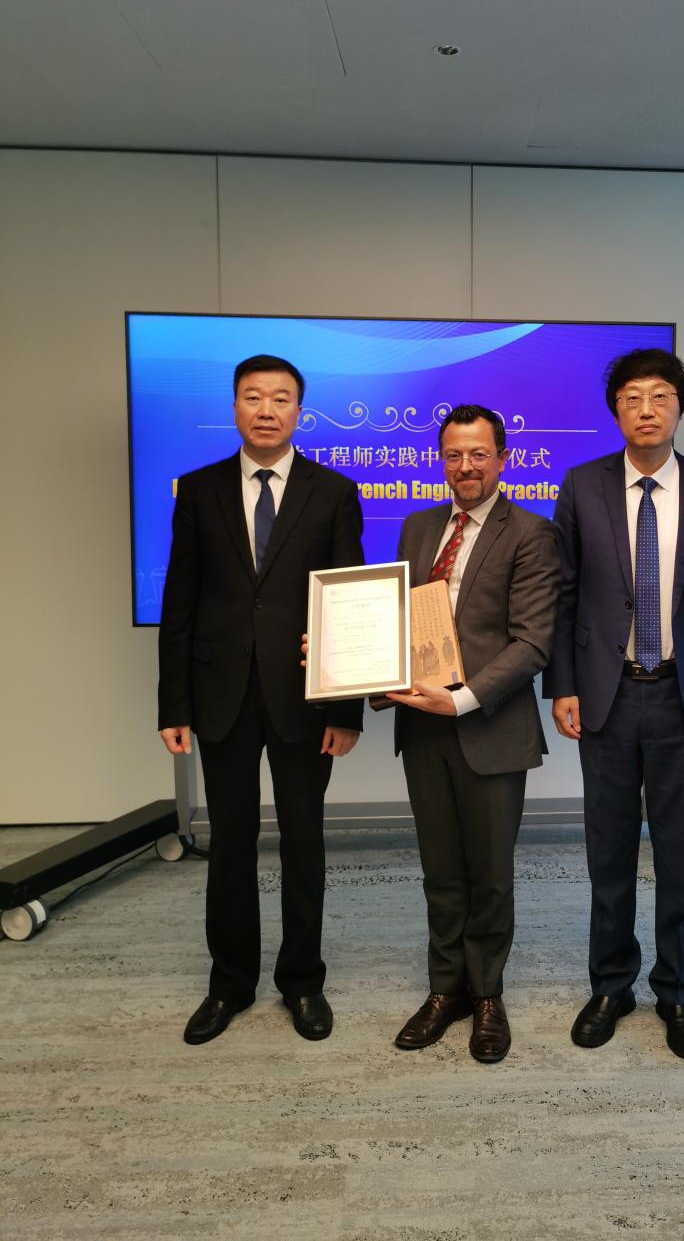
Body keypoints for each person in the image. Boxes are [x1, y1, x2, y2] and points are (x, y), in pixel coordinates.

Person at [544, 348, 684, 1060]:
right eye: (632, 397)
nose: (646, 409)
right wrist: (562, 684)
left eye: (660, 396)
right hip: (605, 694)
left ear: (679, 408)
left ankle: (679, 991)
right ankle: (611, 984)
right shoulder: (583, 485)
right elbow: (564, 594)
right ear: (616, 411)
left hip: (681, 697)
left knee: (679, 854)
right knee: (607, 852)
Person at [158, 354, 364, 1046]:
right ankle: (230, 982)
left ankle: (302, 979)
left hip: (304, 698)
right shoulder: (200, 489)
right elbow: (180, 602)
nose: (267, 409)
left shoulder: (334, 492)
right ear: (235, 408)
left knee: (304, 841)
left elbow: (350, 602)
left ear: (299, 412)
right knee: (230, 843)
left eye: (280, 398)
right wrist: (173, 704)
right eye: (253, 397)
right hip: (221, 694)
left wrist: (345, 709)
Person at [386, 405, 561, 1064]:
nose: (466, 466)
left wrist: (461, 699)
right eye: (455, 454)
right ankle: (446, 989)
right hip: (421, 728)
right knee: (440, 870)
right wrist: (352, 661)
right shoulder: (417, 526)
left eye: (479, 454)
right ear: (442, 460)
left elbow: (532, 642)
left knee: (489, 874)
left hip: (490, 726)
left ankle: (487, 993)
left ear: (502, 459)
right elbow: (399, 623)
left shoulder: (532, 533)